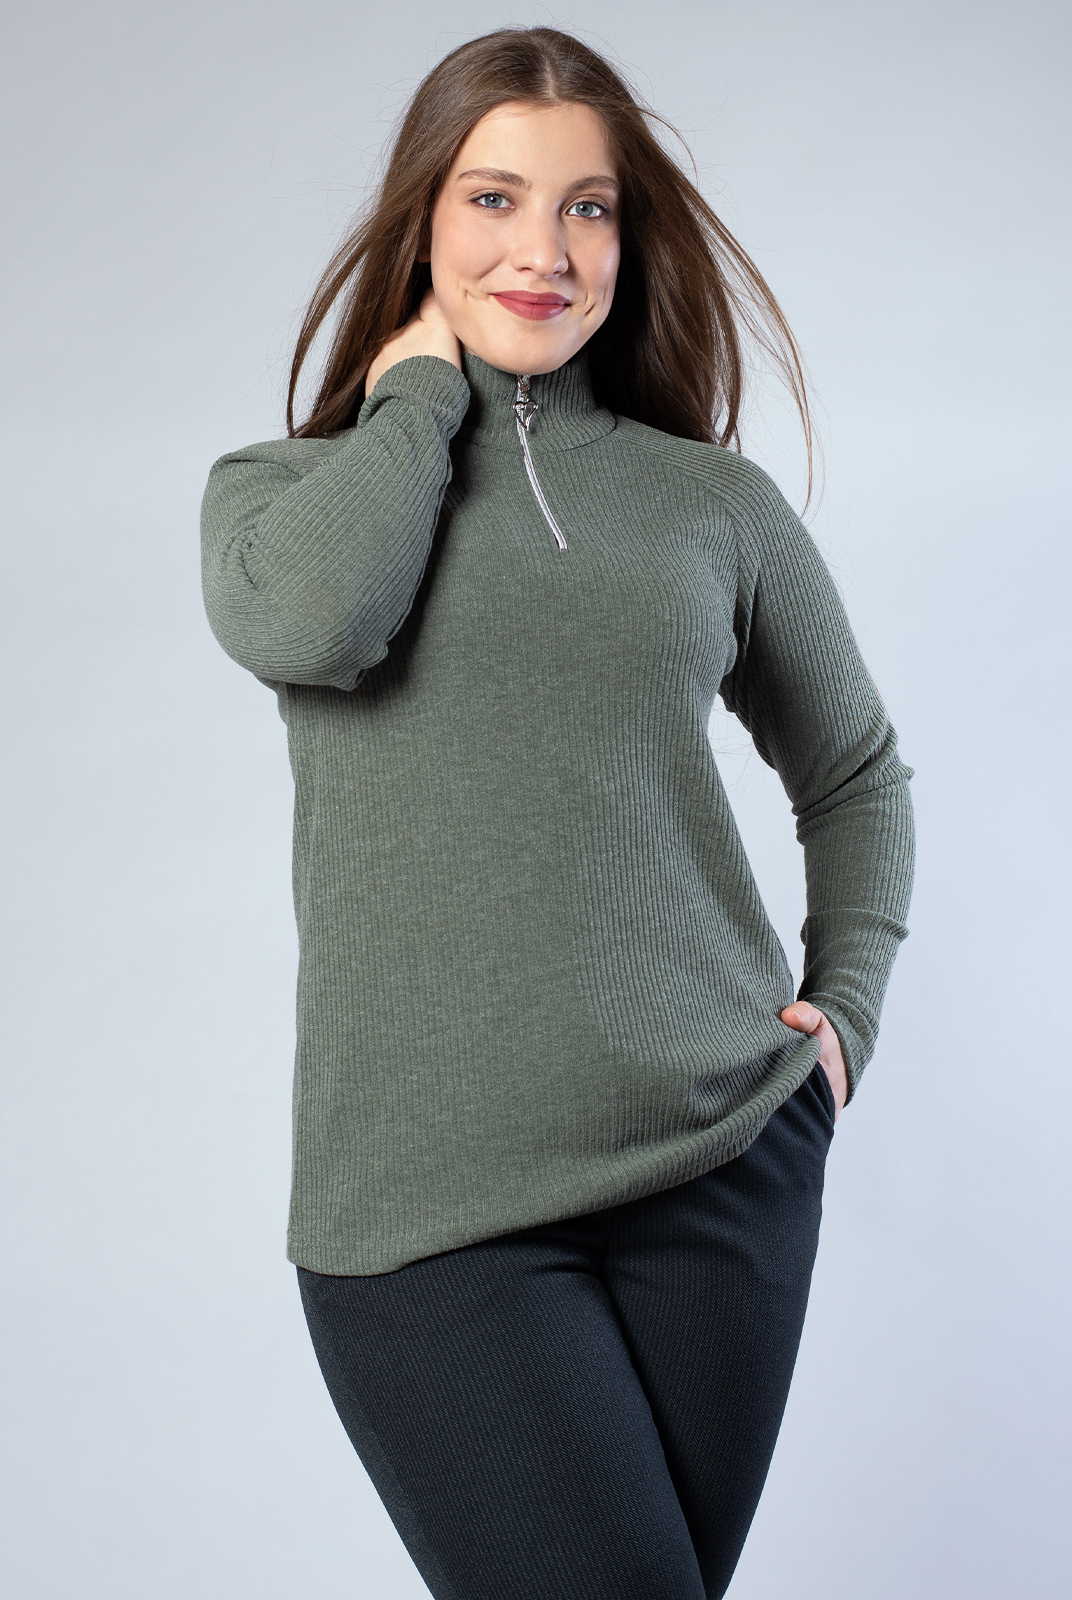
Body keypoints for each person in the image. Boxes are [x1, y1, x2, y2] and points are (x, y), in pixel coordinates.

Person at [200, 25, 915, 1600]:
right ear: (421, 219)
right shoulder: (281, 495)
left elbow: (856, 769)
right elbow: (319, 624)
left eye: (587, 207)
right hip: (426, 1220)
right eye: (494, 198)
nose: (545, 249)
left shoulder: (712, 506)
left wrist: (846, 1014)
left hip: (721, 1170)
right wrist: (413, 404)